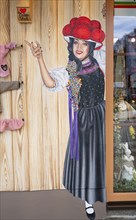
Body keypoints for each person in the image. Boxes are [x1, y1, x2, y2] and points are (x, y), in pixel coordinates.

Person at [26, 16, 106, 220]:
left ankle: (108, 193)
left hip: (102, 115)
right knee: (87, 161)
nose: (79, 47)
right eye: (76, 42)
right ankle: (89, 202)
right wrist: (39, 59)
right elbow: (52, 83)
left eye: (84, 43)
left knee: (104, 158)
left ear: (91, 46)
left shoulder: (101, 60)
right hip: (84, 121)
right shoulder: (71, 69)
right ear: (71, 45)